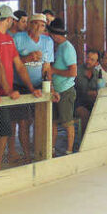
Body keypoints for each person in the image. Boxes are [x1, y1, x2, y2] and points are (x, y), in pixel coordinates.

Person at [0, 5, 41, 171]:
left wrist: (31, 88)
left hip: (5, 91)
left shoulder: (8, 38)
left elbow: (19, 66)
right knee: (3, 128)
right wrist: (7, 91)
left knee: (5, 128)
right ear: (8, 19)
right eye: (12, 20)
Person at [12, 13, 54, 162]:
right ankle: (27, 155)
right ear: (29, 24)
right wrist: (27, 58)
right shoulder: (18, 38)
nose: (38, 27)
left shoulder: (47, 41)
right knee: (23, 122)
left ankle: (39, 151)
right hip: (20, 85)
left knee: (40, 119)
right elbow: (11, 63)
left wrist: (49, 87)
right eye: (35, 24)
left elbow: (47, 67)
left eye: (42, 25)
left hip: (38, 85)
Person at [47, 17, 78, 155]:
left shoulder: (67, 48)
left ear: (54, 35)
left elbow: (73, 72)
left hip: (66, 90)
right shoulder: (59, 47)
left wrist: (54, 71)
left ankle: (69, 150)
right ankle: (52, 150)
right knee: (53, 121)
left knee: (67, 122)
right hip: (57, 90)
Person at [75, 49, 103, 136]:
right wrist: (87, 93)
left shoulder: (97, 73)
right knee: (85, 114)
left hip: (91, 103)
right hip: (76, 103)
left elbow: (100, 89)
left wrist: (95, 93)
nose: (88, 61)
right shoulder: (76, 71)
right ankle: (84, 142)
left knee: (102, 111)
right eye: (87, 58)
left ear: (97, 63)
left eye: (92, 60)